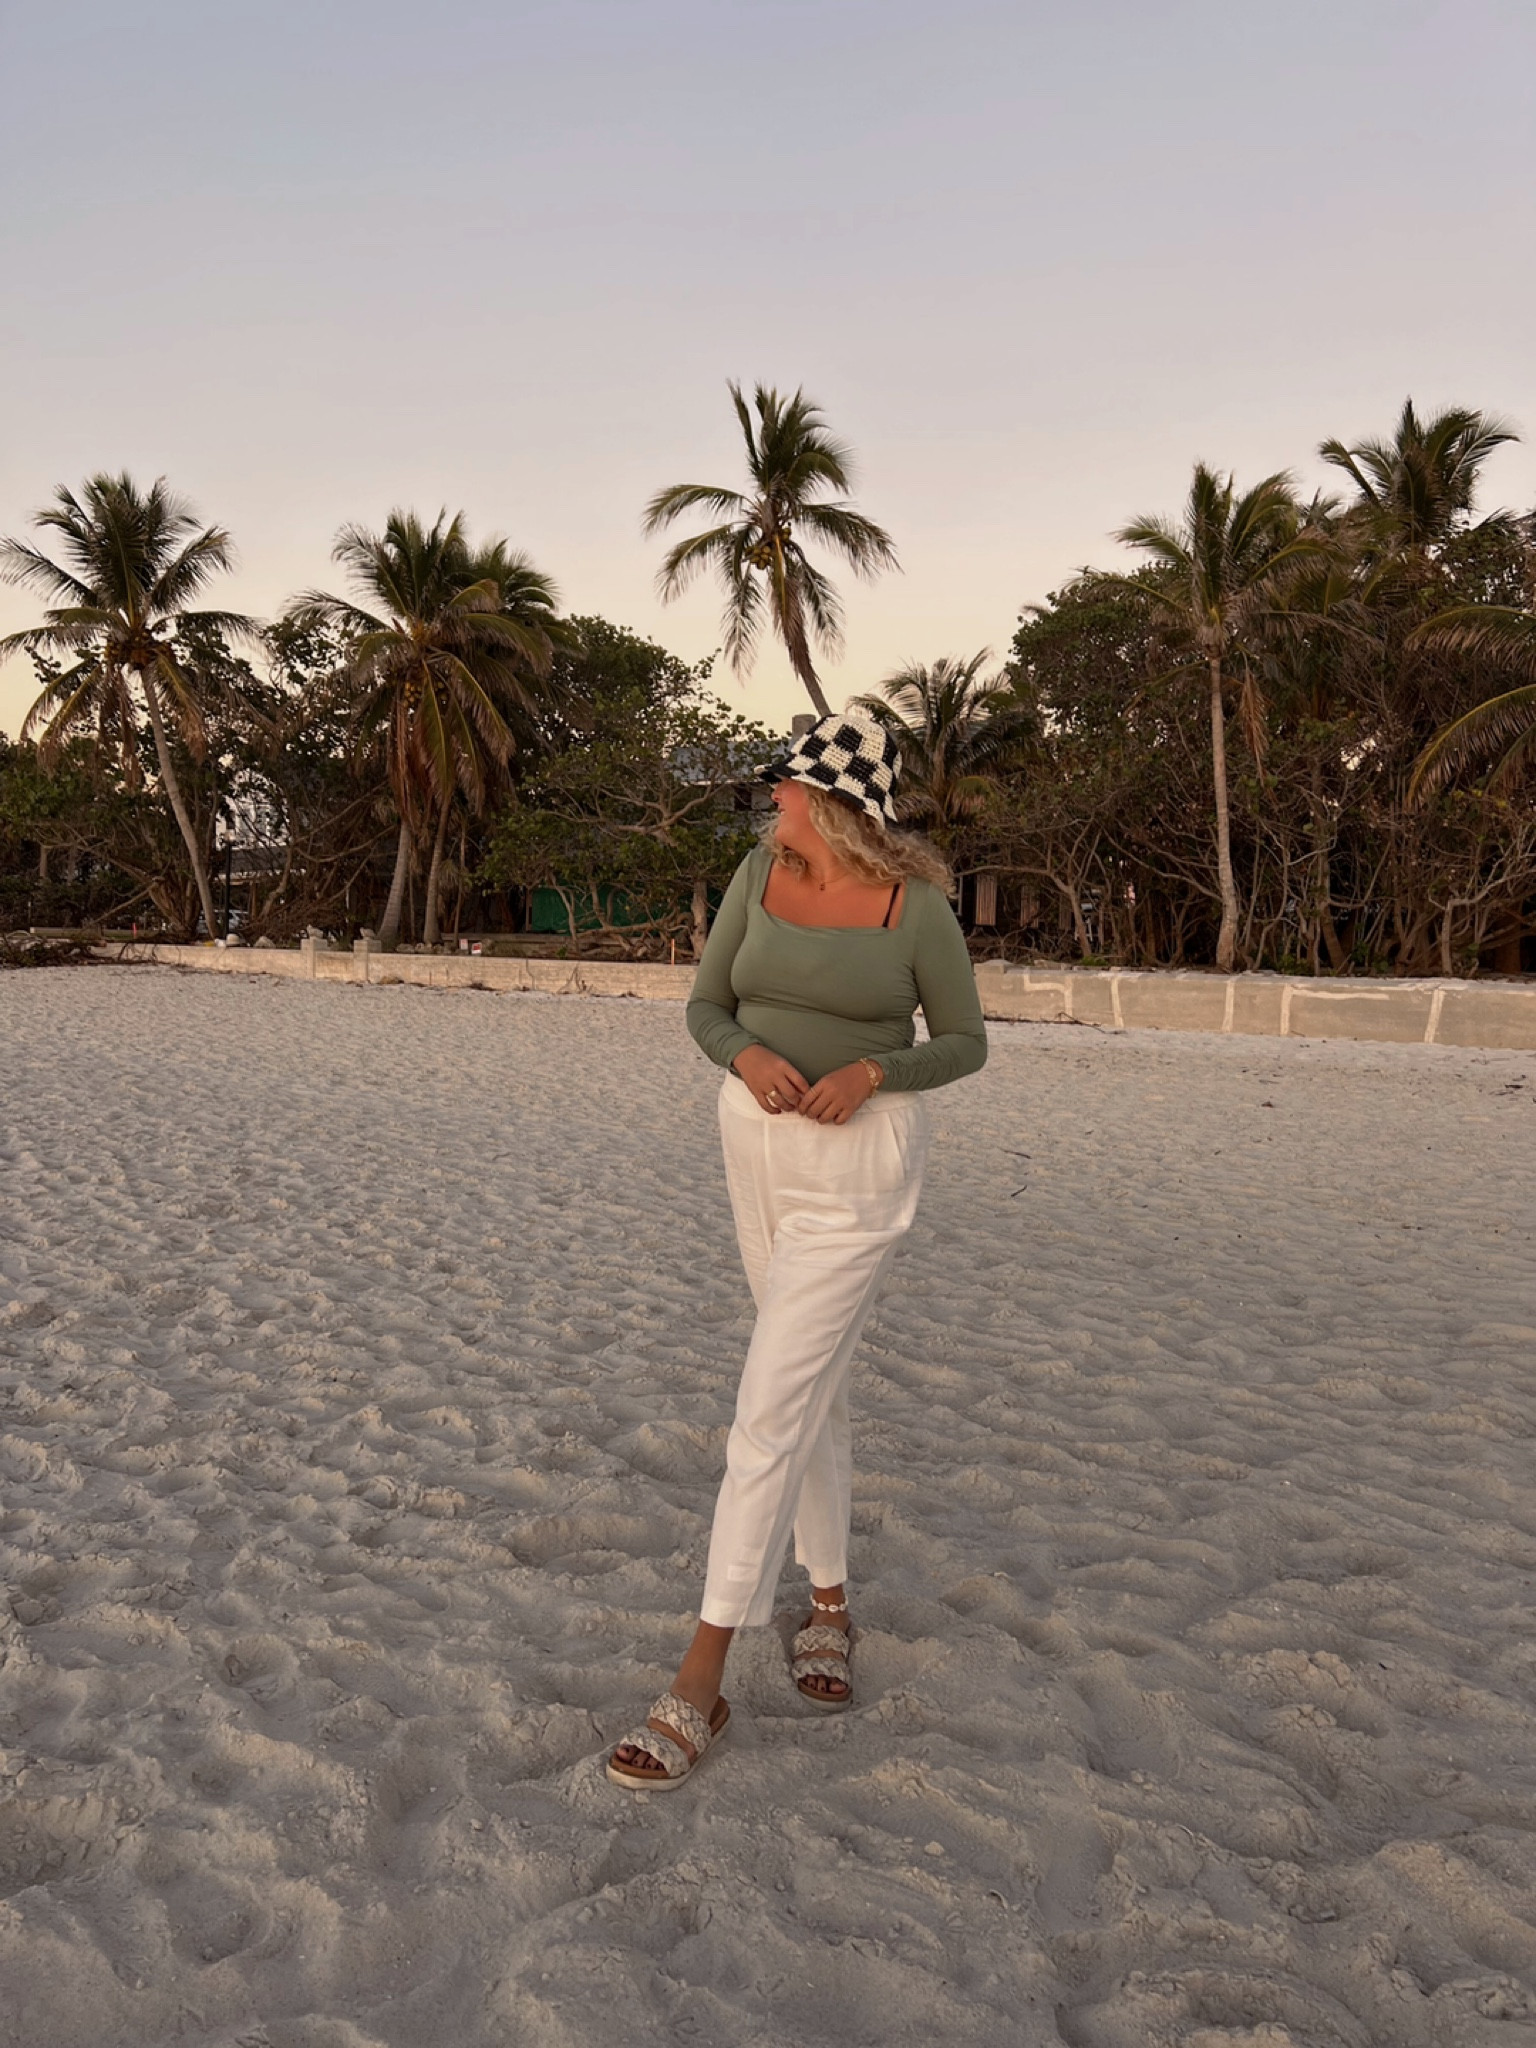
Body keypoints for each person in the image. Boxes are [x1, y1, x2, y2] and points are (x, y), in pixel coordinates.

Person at [606, 707, 988, 1789]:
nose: (768, 800)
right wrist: (747, 1057)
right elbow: (703, 1005)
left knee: (768, 1408)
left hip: (860, 1172)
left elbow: (965, 1041)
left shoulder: (915, 909)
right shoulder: (753, 874)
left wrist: (875, 1072)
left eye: (783, 787)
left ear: (830, 801)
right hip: (756, 1153)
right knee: (810, 1384)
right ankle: (829, 1601)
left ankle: (701, 1675)